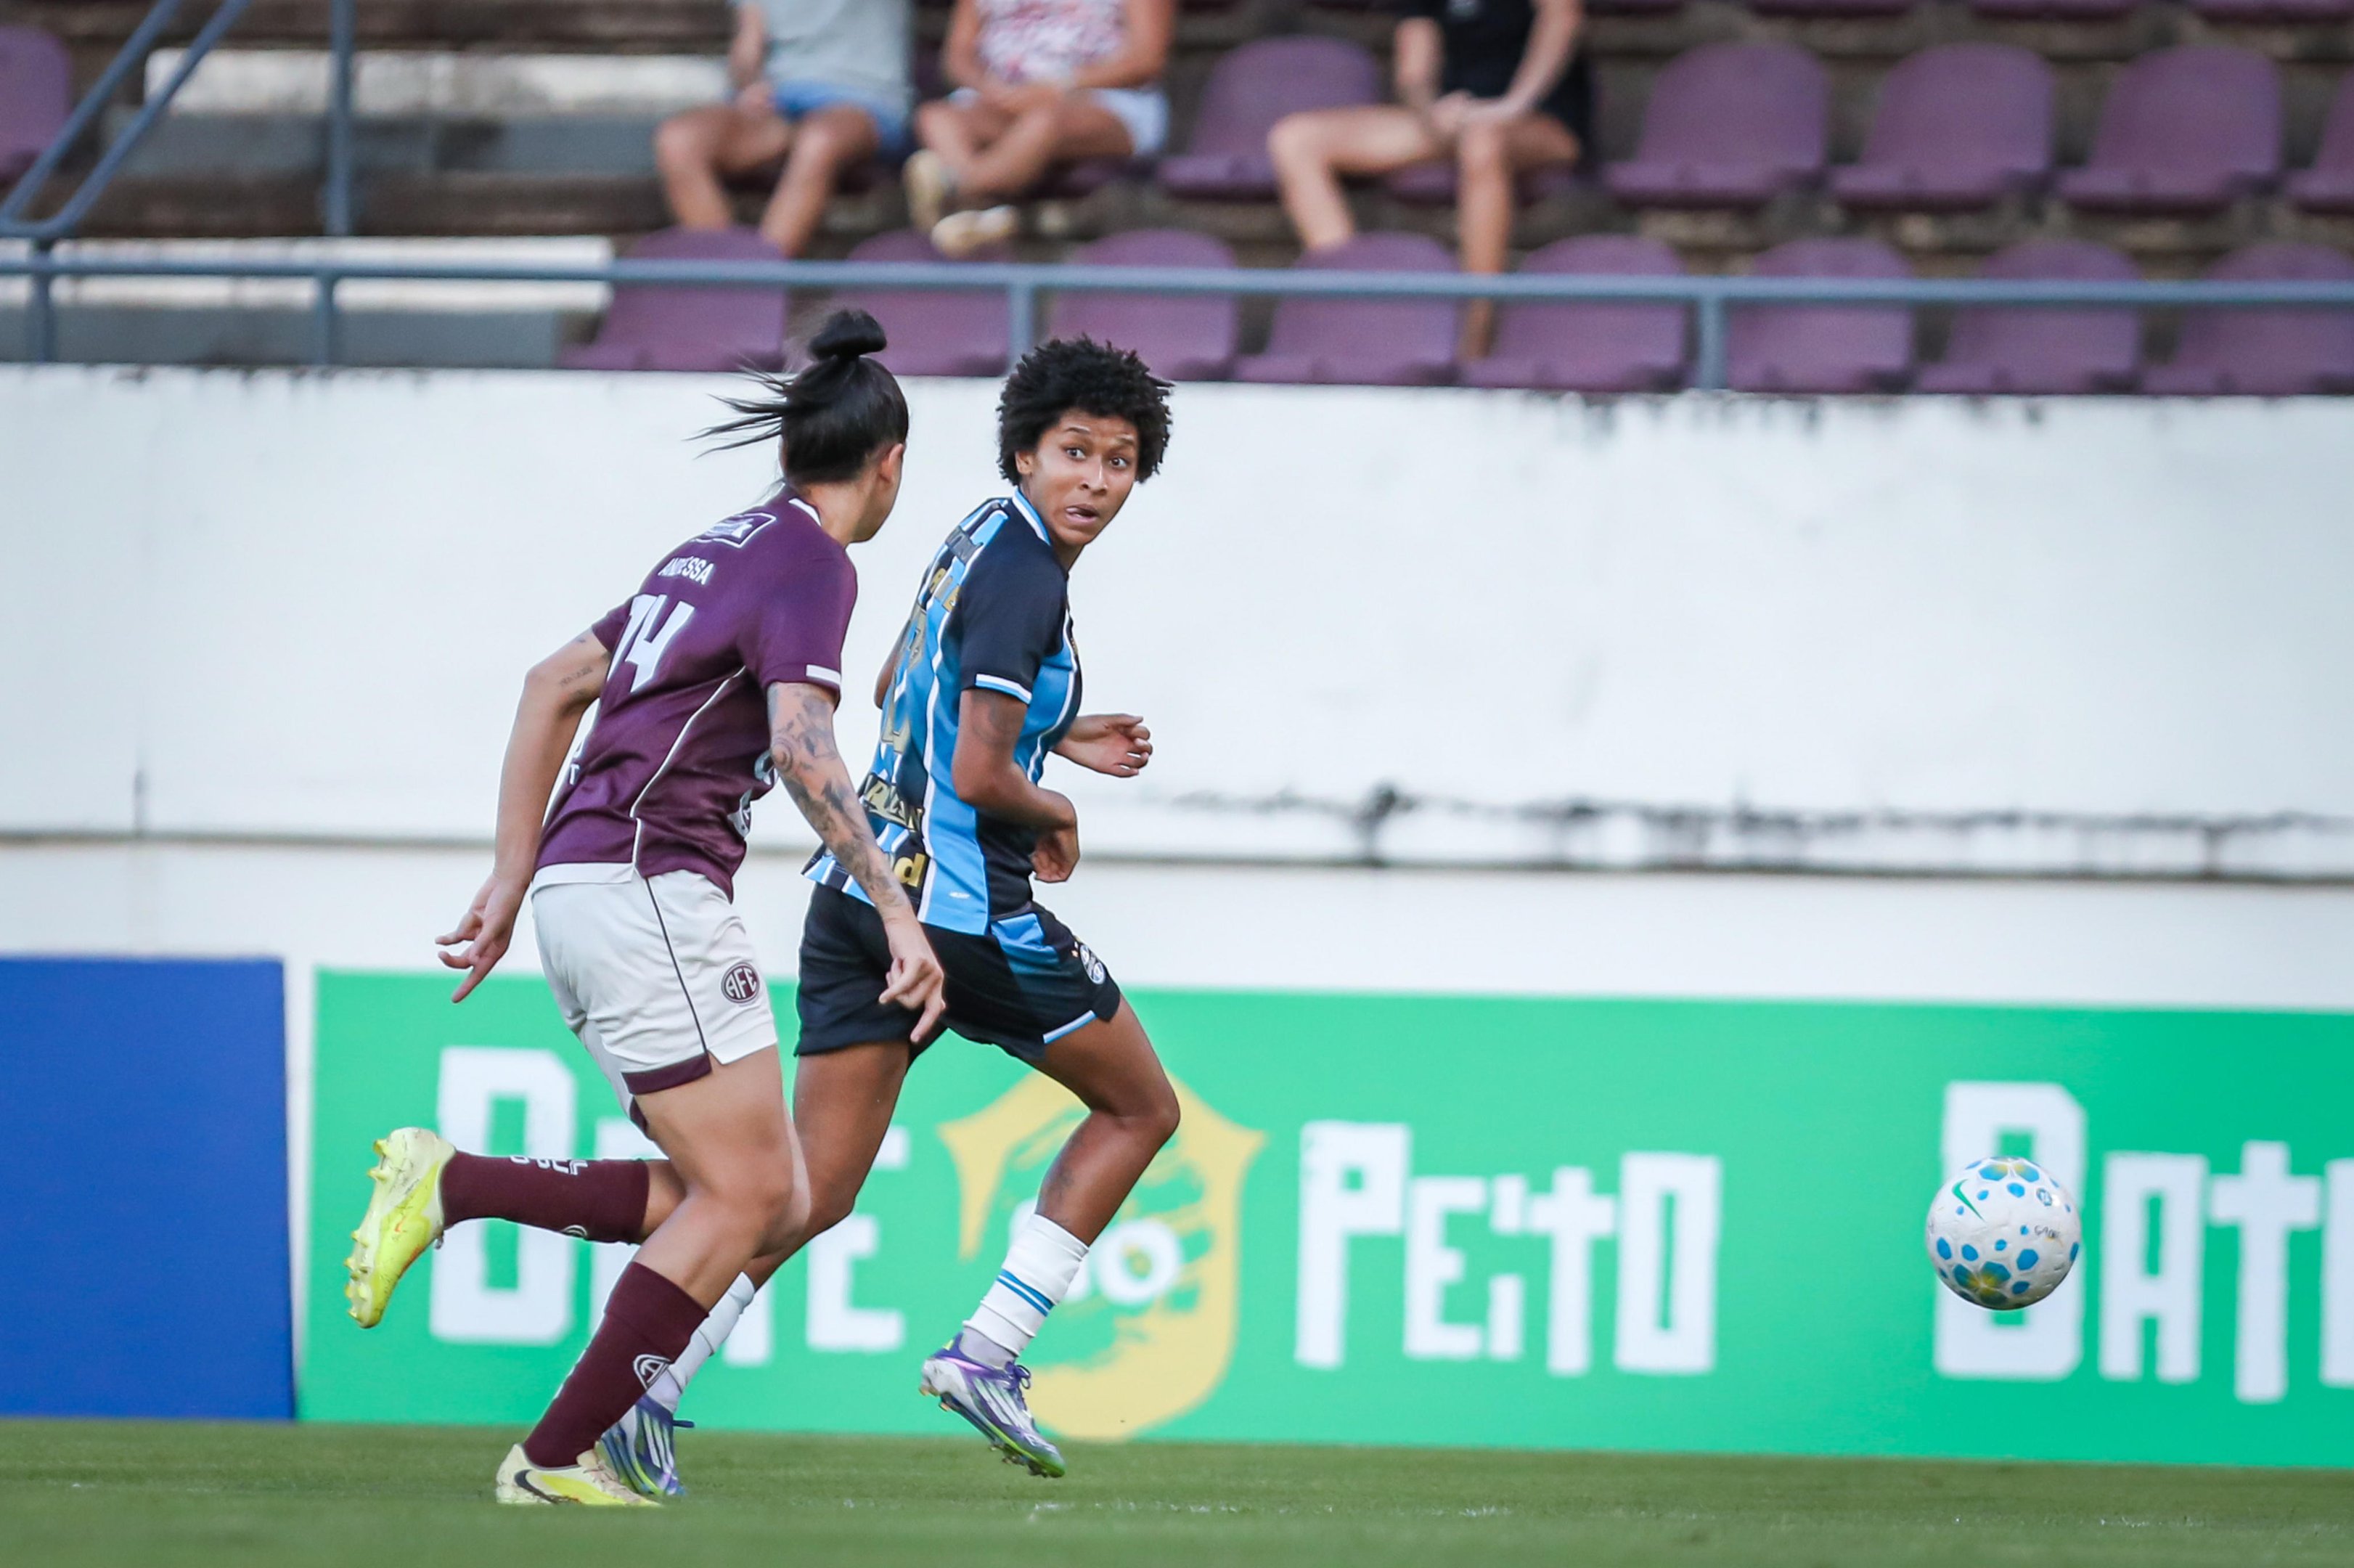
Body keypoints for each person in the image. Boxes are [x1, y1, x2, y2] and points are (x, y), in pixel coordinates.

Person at [339, 310, 948, 1508]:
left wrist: (518, 875)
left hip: (587, 882)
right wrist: (897, 914)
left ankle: (454, 1184)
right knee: (758, 1195)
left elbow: (553, 682)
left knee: (755, 1191)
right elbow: (803, 738)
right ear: (888, 466)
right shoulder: (815, 563)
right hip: (648, 883)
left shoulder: (711, 548)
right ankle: (552, 1459)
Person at [573, 338, 1180, 1493]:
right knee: (1140, 1109)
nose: (1095, 481)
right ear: (1024, 448)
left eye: (1119, 461)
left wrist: (1059, 730)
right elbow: (981, 770)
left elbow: (910, 674)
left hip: (859, 898)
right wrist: (1055, 804)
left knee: (805, 1191)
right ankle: (988, 1351)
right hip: (958, 916)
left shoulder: (975, 535)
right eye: (1073, 454)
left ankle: (643, 1392)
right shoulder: (1033, 576)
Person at [1269, 0, 1590, 356]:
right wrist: (1432, 112)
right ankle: (1349, 301)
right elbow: (1414, 72)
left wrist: (1512, 106)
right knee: (1296, 139)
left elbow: (1562, 20)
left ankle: (1476, 334)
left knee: (1482, 143)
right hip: (1458, 120)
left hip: (1539, 119)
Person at [905, 0, 1175, 257]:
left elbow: (1147, 60)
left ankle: (957, 189)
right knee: (935, 117)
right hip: (1000, 99)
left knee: (1044, 122)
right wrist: (987, 87)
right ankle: (992, 217)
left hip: (1103, 100)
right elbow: (957, 57)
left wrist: (1058, 87)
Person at [654, 0, 914, 257]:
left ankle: (760, 282)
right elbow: (749, 46)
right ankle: (729, 279)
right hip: (779, 102)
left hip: (867, 101)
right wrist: (748, 87)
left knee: (818, 141)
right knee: (678, 140)